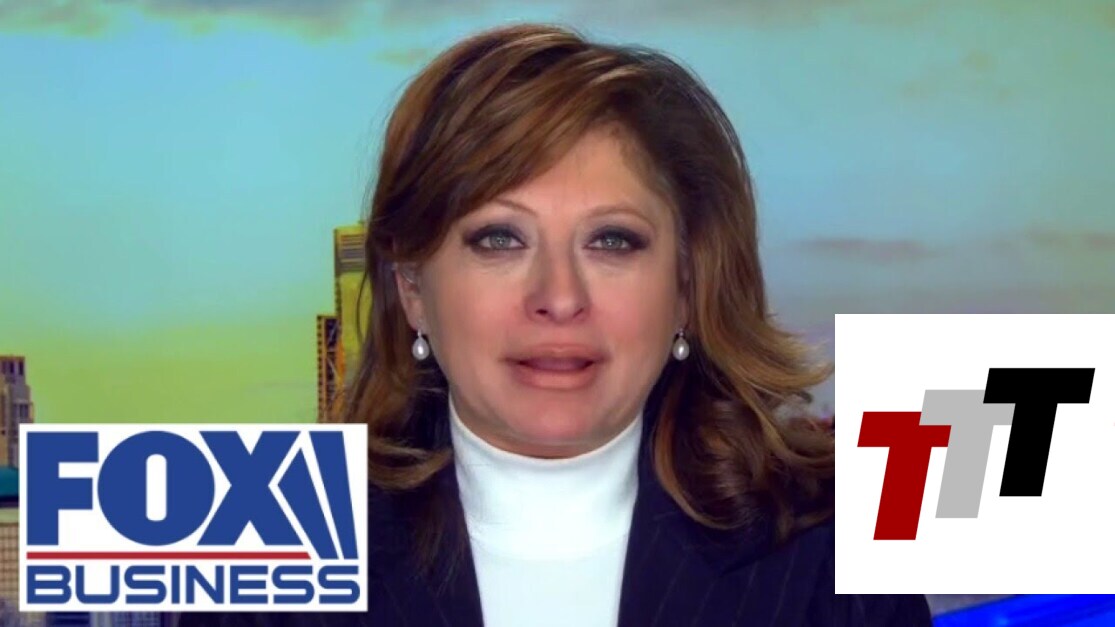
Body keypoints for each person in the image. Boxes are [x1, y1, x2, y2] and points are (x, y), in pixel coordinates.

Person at [181, 22, 931, 627]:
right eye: (498, 239)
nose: (559, 297)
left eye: (612, 241)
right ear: (412, 289)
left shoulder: (828, 557)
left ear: (685, 288)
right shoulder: (264, 562)